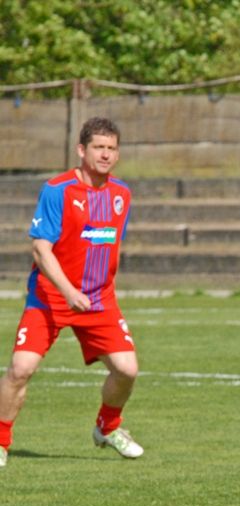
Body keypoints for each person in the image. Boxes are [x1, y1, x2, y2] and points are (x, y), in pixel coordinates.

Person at [0, 117, 143, 468]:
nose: (105, 155)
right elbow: (41, 249)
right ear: (82, 150)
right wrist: (68, 291)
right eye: (98, 147)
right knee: (21, 368)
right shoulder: (57, 190)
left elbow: (105, 246)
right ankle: (1, 442)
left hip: (99, 300)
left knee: (127, 370)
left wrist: (96, 290)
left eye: (111, 148)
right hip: (50, 297)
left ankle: (108, 428)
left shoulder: (121, 194)